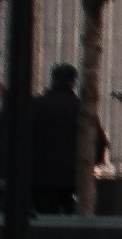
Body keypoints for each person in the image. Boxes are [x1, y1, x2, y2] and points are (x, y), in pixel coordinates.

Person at [30, 57, 86, 217]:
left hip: (40, 177)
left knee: (45, 220)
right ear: (73, 83)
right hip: (72, 178)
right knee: (71, 223)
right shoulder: (79, 108)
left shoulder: (37, 105)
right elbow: (97, 141)